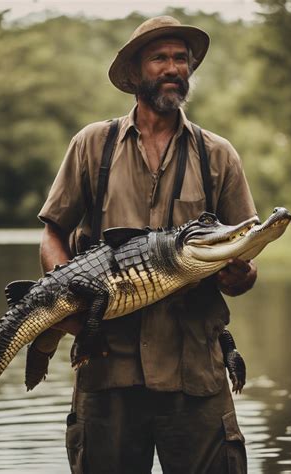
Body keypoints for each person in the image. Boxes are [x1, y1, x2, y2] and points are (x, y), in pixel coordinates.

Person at [31, 16, 257, 473]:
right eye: (160, 58)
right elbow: (53, 232)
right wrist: (67, 301)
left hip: (195, 372)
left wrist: (242, 274)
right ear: (135, 73)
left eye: (181, 59)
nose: (173, 68)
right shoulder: (92, 146)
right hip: (107, 370)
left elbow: (244, 256)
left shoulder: (218, 155)